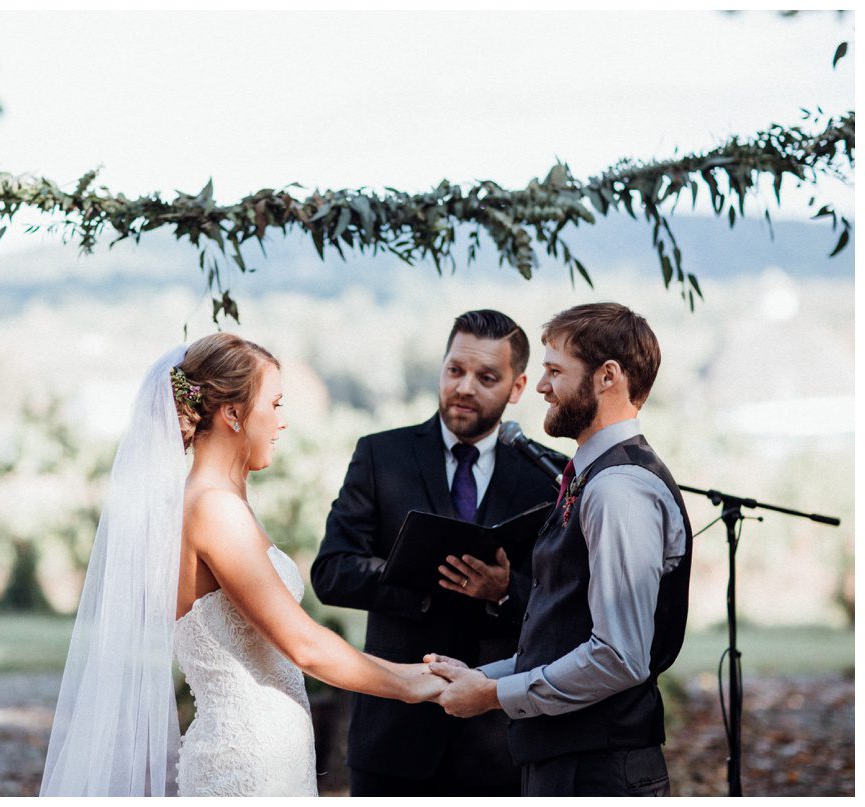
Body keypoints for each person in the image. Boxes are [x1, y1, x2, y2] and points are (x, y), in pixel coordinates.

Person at [39, 333, 446, 797]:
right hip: (248, 766)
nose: (282, 422)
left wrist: (415, 673)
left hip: (267, 755)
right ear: (232, 413)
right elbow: (303, 645)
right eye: (274, 403)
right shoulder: (213, 509)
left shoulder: (218, 503)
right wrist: (412, 687)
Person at [427, 302, 693, 796]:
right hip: (569, 764)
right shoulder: (595, 477)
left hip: (598, 773)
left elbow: (618, 657)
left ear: (607, 377)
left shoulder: (619, 490)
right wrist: (478, 676)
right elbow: (565, 637)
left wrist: (492, 695)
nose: (542, 386)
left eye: (554, 371)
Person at [311, 309, 564, 796]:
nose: (465, 387)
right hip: (394, 738)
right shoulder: (380, 455)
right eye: (455, 371)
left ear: (517, 387)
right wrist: (424, 578)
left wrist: (504, 591)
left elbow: (565, 603)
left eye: (486, 377)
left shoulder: (549, 475)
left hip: (501, 745)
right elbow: (332, 571)